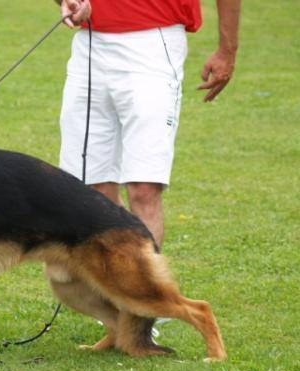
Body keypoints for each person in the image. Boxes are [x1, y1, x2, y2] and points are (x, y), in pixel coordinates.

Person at [56, 0, 240, 246]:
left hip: (153, 44)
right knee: (92, 189)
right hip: (91, 45)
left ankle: (142, 283)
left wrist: (227, 50)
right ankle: (117, 279)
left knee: (144, 188)